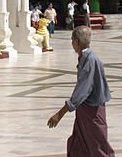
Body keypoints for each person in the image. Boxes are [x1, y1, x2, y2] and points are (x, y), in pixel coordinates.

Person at [47, 26, 114, 156]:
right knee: (78, 144)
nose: (72, 43)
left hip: (93, 111)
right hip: (84, 110)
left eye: (72, 40)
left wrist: (59, 114)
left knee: (98, 146)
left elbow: (82, 91)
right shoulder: (84, 58)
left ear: (77, 42)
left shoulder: (90, 60)